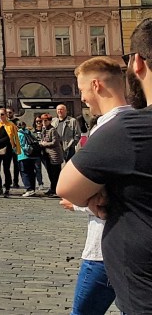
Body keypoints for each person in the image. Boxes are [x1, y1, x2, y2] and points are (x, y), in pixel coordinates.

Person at [59, 21, 152, 315]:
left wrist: (88, 201)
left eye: (82, 90)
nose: (82, 98)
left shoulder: (121, 129)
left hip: (116, 251)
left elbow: (67, 188)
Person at [59, 56, 131, 315]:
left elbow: (77, 190)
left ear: (96, 85)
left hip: (104, 245)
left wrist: (77, 204)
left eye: (82, 90)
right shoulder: (140, 121)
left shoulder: (106, 129)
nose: (83, 98)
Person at [0, 108, 21, 197]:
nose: (0, 116)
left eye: (2, 114)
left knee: (6, 169)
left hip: (7, 150)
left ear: (6, 115)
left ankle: (7, 187)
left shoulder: (11, 125)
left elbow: (15, 138)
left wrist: (17, 149)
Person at [37, 113, 64, 196]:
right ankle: (52, 189)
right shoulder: (44, 129)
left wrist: (44, 144)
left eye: (45, 120)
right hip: (47, 154)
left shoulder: (52, 130)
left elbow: (55, 142)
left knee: (55, 173)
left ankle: (56, 190)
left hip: (54, 155)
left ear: (50, 121)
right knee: (50, 173)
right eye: (42, 121)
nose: (43, 122)